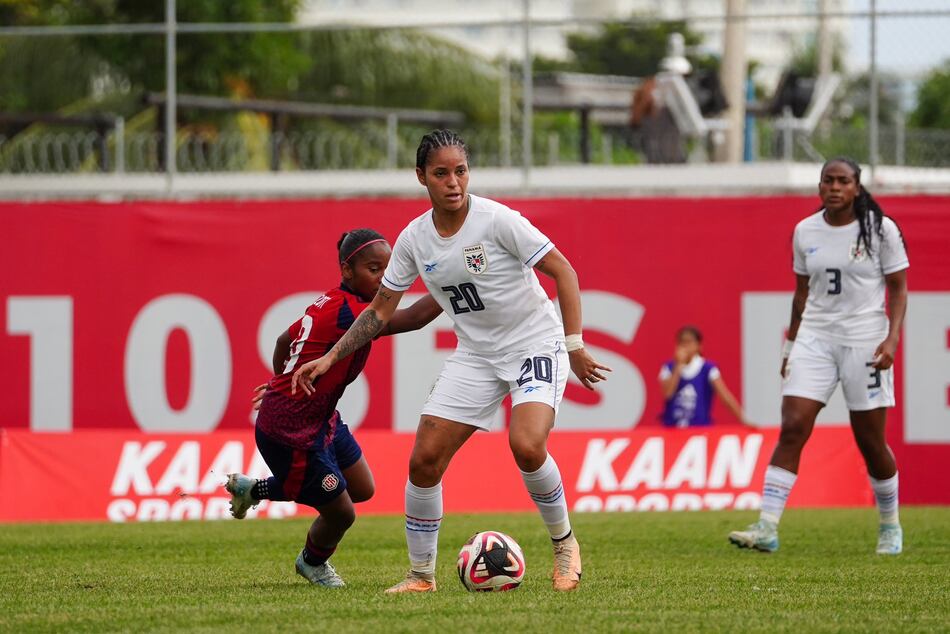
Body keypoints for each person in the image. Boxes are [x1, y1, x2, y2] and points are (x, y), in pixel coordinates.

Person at [291, 129, 611, 593]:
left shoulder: (498, 220)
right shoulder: (414, 240)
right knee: (423, 460)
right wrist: (332, 356)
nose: (453, 182)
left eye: (460, 171)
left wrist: (575, 344)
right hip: (477, 356)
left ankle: (565, 547)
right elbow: (379, 311)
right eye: (441, 173)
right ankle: (421, 576)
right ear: (421, 176)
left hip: (534, 343)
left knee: (525, 445)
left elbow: (564, 270)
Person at [224, 229, 443, 587]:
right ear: (347, 270)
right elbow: (416, 318)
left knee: (361, 487)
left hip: (321, 419)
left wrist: (285, 379)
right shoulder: (351, 313)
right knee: (341, 512)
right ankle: (311, 563)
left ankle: (253, 490)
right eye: (374, 269)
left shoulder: (331, 301)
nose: (383, 278)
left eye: (388, 271)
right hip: (290, 432)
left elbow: (284, 340)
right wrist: (454, 282)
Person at [729, 157, 908, 555]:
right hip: (815, 337)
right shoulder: (805, 230)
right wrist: (791, 345)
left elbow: (897, 287)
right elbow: (801, 293)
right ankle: (767, 526)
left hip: (865, 340)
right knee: (793, 424)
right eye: (828, 180)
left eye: (843, 181)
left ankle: (890, 525)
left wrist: (892, 339)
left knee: (869, 440)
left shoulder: (880, 229)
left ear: (857, 188)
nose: (834, 187)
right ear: (819, 185)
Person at [659, 325, 746, 427]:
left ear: (699, 346)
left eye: (689, 342)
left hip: (700, 430)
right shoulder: (668, 368)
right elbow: (668, 393)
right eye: (682, 342)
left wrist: (743, 419)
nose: (685, 346)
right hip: (672, 430)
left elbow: (725, 397)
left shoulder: (708, 369)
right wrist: (678, 366)